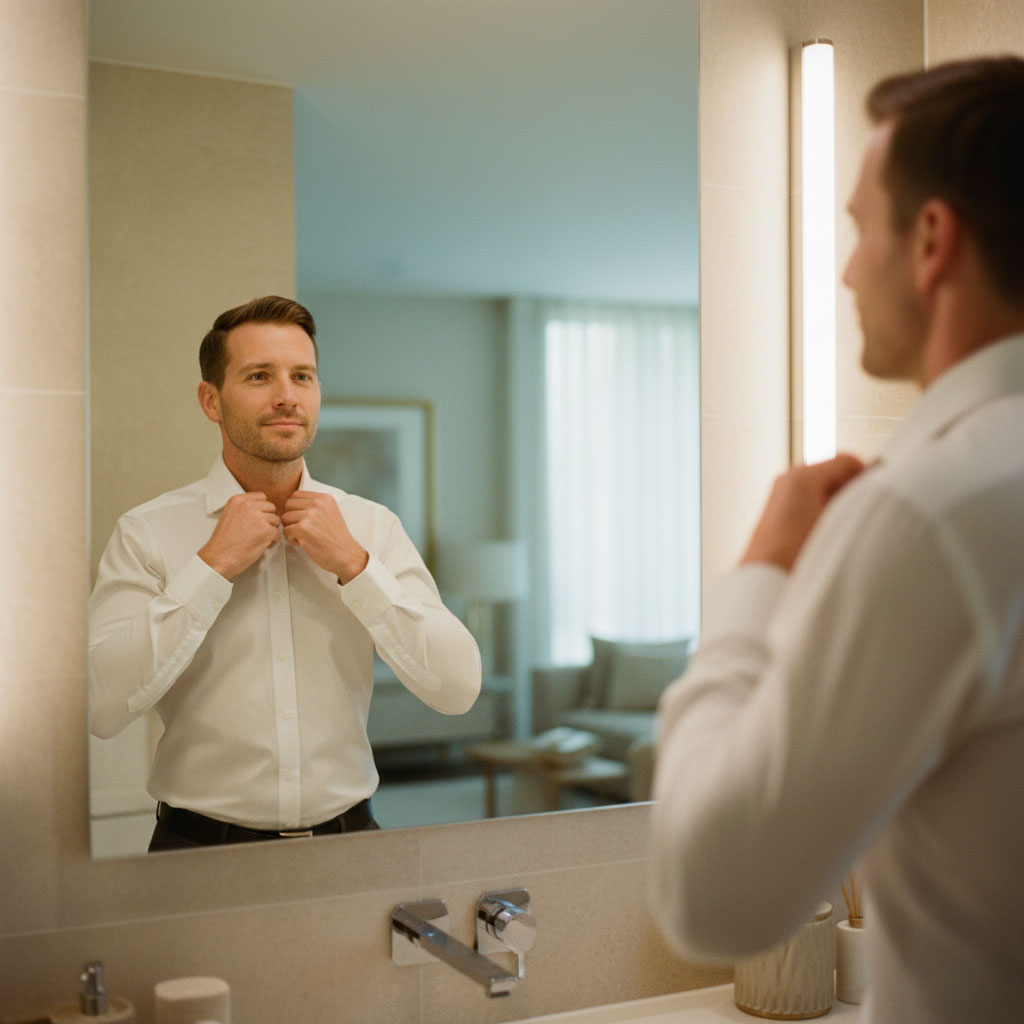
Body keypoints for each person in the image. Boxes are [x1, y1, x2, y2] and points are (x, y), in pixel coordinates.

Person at [649, 56, 1024, 1023]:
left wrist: (759, 577)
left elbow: (714, 897)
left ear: (933, 239)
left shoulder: (933, 511)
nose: (849, 268)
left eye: (859, 228)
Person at [89, 296, 481, 849]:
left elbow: (459, 688)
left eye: (303, 376)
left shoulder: (371, 528)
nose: (286, 396)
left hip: (352, 843)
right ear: (211, 400)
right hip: (197, 852)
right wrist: (212, 566)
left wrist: (355, 566)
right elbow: (100, 706)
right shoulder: (147, 532)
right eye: (258, 376)